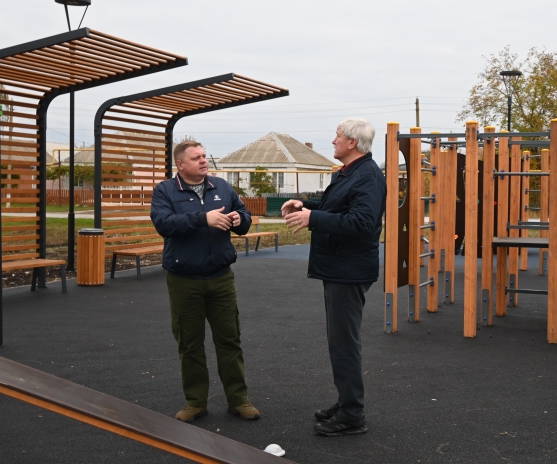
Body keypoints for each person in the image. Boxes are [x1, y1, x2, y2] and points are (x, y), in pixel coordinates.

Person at [282, 118, 386, 436]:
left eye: (337, 136)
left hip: (348, 270)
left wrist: (313, 217)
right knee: (340, 342)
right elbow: (339, 209)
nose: (333, 141)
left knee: (344, 344)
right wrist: (306, 205)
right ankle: (346, 402)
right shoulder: (350, 173)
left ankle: (352, 415)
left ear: (352, 142)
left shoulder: (367, 176)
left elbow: (361, 223)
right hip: (340, 267)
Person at [151, 140, 260, 422]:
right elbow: (163, 224)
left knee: (230, 341)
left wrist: (239, 219)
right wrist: (203, 219)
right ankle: (196, 402)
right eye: (196, 158)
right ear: (180, 164)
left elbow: (245, 216)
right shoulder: (165, 190)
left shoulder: (221, 186)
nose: (203, 161)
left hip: (222, 278)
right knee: (190, 344)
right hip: (185, 280)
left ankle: (238, 399)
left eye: (204, 156)